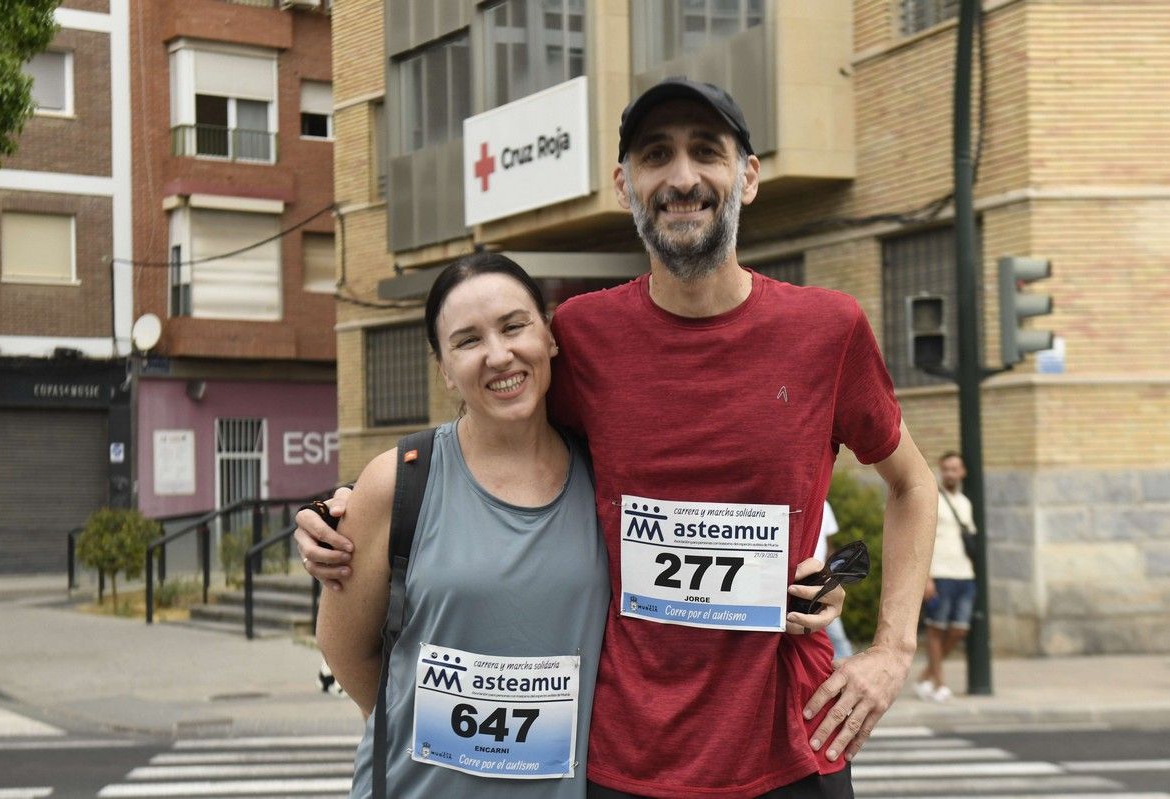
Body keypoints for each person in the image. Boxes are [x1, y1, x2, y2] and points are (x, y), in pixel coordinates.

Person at [300, 78, 936, 798]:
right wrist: (356, 509)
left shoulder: (827, 329)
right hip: (624, 760)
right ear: (623, 184)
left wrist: (891, 647)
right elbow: (498, 446)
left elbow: (912, 485)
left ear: (749, 176)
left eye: (707, 151)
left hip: (792, 746)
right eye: (655, 155)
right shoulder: (581, 335)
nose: (682, 177)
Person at [316, 253, 845, 798]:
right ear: (444, 369)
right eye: (468, 341)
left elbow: (695, 572)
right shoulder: (399, 481)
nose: (498, 355)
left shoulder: (606, 479)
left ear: (549, 336)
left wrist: (803, 588)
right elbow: (345, 647)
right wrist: (410, 723)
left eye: (514, 326)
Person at [914, 451, 977, 703]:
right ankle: (939, 684)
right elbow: (922, 539)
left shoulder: (965, 503)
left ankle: (925, 677)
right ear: (941, 471)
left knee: (959, 629)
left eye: (955, 469)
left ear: (962, 472)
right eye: (946, 469)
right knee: (935, 630)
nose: (950, 473)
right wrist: (926, 577)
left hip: (964, 574)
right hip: (939, 573)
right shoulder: (934, 500)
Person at [817, 501, 855, 662]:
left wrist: (833, 576)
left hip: (820, 580)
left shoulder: (824, 505)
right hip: (794, 579)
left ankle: (846, 670)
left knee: (836, 636)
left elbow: (829, 545)